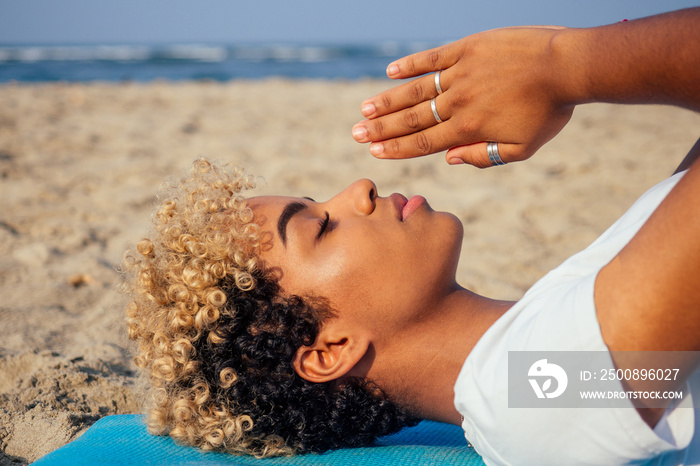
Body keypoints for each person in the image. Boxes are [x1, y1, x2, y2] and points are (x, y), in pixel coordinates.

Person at [124, 8, 700, 465]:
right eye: (319, 226)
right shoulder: (532, 390)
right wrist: (563, 66)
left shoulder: (546, 336)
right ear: (330, 351)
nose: (359, 187)